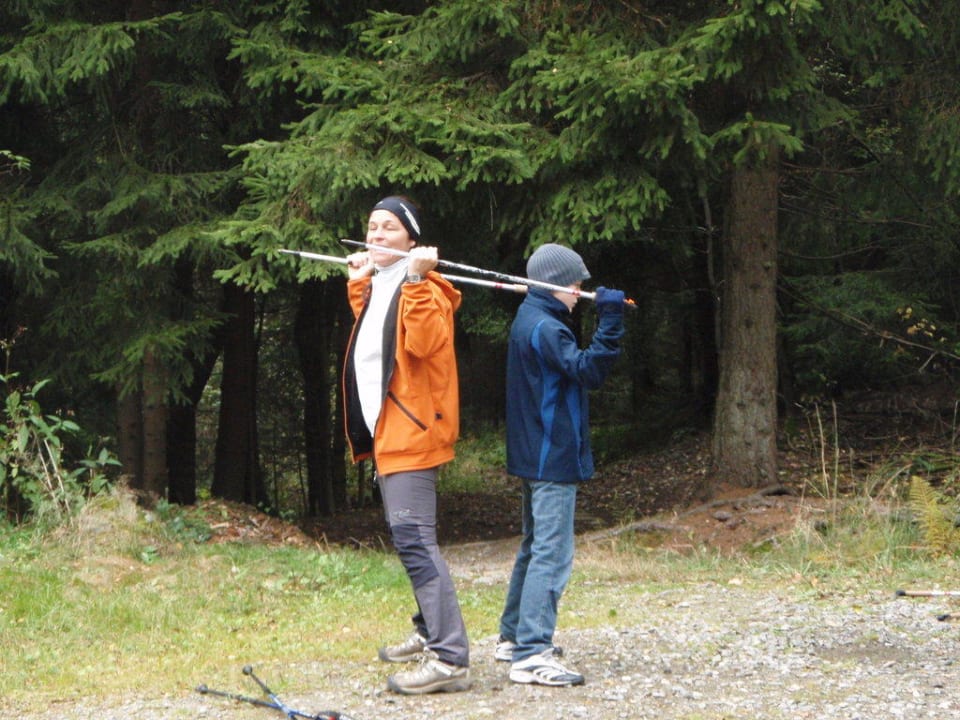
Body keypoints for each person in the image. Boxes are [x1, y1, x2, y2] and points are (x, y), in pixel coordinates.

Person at [342, 195, 471, 695]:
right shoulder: (382, 285)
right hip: (388, 432)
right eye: (372, 227)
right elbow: (376, 341)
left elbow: (419, 344)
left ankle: (451, 658)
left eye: (389, 228)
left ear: (412, 240)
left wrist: (417, 278)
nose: (376, 235)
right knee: (409, 539)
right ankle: (428, 631)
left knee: (415, 540)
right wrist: (359, 283)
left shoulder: (428, 291)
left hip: (414, 432)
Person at [495, 243, 625, 687]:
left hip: (535, 452)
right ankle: (532, 652)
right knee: (552, 552)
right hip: (551, 455)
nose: (579, 292)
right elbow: (589, 371)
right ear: (554, 286)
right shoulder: (548, 328)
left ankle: (513, 637)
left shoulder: (530, 318)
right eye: (575, 285)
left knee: (534, 546)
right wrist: (610, 321)